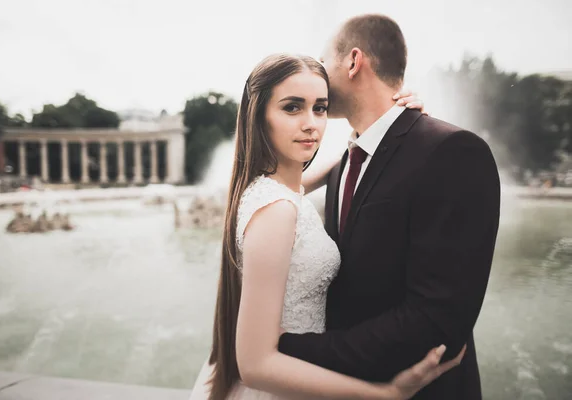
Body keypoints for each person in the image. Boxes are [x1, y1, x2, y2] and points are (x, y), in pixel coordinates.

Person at [189, 53, 465, 400]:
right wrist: (385, 394)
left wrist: (392, 122)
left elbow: (349, 158)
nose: (311, 124)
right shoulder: (277, 210)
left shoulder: (275, 188)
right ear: (258, 116)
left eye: (319, 108)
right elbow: (255, 365)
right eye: (292, 108)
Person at [279, 14, 501, 400]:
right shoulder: (348, 159)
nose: (316, 76)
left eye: (322, 62)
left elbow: (434, 319)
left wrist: (285, 349)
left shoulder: (453, 152)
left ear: (352, 61)